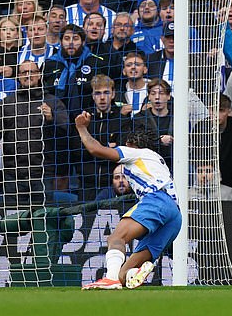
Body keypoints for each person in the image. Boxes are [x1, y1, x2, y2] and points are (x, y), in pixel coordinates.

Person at [77, 111, 180, 290]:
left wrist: (81, 128)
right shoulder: (157, 159)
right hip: (175, 216)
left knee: (116, 238)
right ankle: (131, 274)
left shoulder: (135, 152)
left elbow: (95, 149)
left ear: (130, 144)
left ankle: (109, 279)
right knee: (123, 275)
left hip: (156, 200)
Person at [0, 60, 69, 205]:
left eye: (32, 72)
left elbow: (65, 130)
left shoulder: (52, 102)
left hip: (43, 173)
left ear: (39, 75)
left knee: (42, 217)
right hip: (13, 173)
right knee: (15, 217)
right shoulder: (7, 103)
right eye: (24, 72)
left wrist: (52, 118)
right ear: (18, 77)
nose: (28, 75)